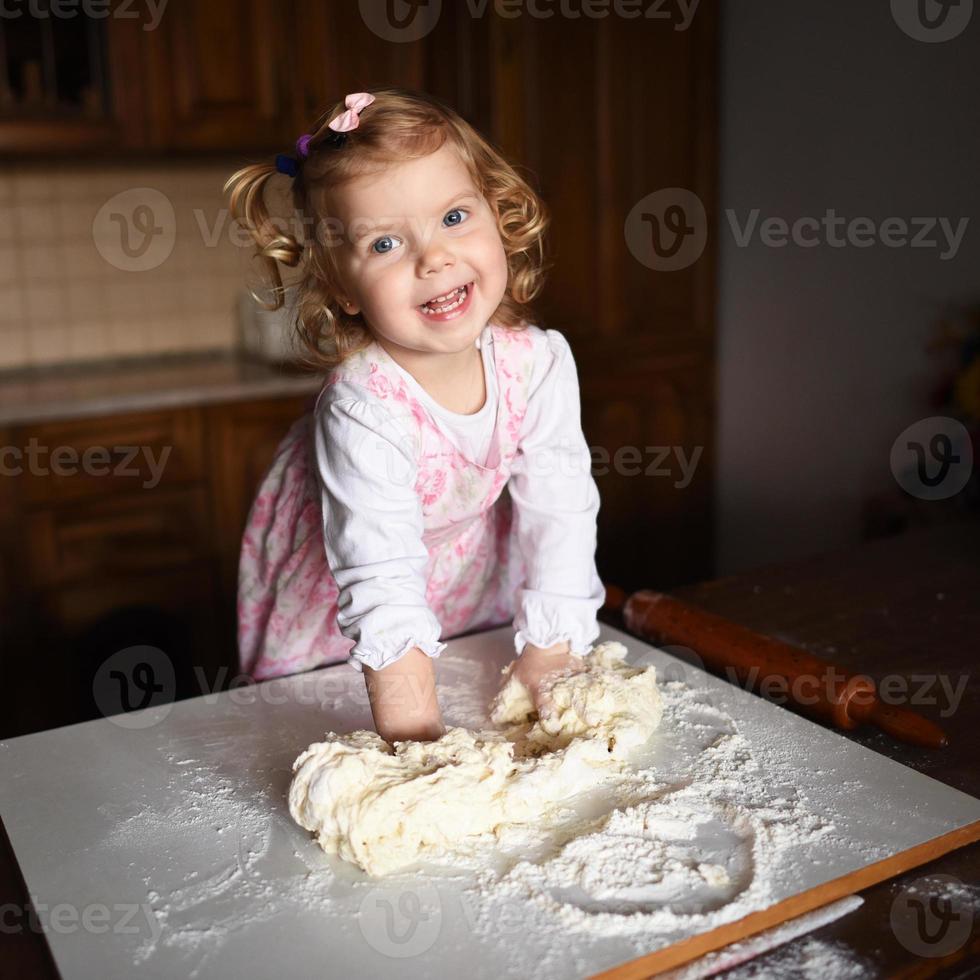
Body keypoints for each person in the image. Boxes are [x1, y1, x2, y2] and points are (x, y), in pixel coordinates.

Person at [224, 88, 606, 744]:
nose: (433, 257)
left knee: (476, 684)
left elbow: (561, 510)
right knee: (314, 732)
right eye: (385, 244)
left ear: (499, 211)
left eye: (455, 216)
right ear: (341, 288)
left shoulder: (537, 365)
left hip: (461, 586)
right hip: (341, 613)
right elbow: (380, 583)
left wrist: (551, 652)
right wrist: (419, 746)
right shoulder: (362, 406)